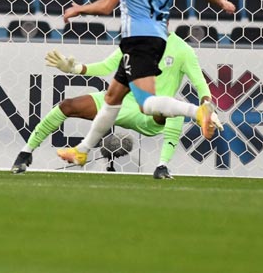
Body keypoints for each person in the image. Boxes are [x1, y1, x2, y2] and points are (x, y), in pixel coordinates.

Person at [56, 0, 236, 166]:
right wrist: (223, 3)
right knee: (112, 99)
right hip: (158, 38)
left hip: (137, 39)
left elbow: (106, 7)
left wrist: (80, 9)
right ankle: (82, 150)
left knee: (147, 105)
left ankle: (197, 111)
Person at [11, 32, 212, 179]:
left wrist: (207, 105)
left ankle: (162, 166)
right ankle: (25, 153)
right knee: (68, 105)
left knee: (170, 108)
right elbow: (106, 66)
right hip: (124, 101)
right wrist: (75, 68)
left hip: (151, 112)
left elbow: (200, 83)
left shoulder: (183, 50)